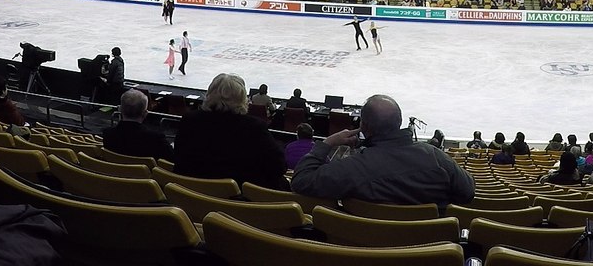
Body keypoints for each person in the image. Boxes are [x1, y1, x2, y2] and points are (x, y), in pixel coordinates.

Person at [291, 93, 475, 207]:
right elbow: (467, 192)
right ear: (399, 122)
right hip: (429, 249)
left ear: (364, 127)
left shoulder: (352, 167)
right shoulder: (436, 156)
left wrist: (328, 142)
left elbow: (301, 180)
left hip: (364, 247)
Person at [172, 73, 286, 189]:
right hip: (235, 196)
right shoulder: (254, 127)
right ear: (242, 99)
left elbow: (179, 157)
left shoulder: (189, 120)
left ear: (209, 94)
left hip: (190, 192)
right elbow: (279, 166)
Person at [102, 89, 173, 162]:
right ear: (145, 114)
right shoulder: (156, 139)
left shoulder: (108, 134)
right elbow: (172, 159)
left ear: (120, 110)